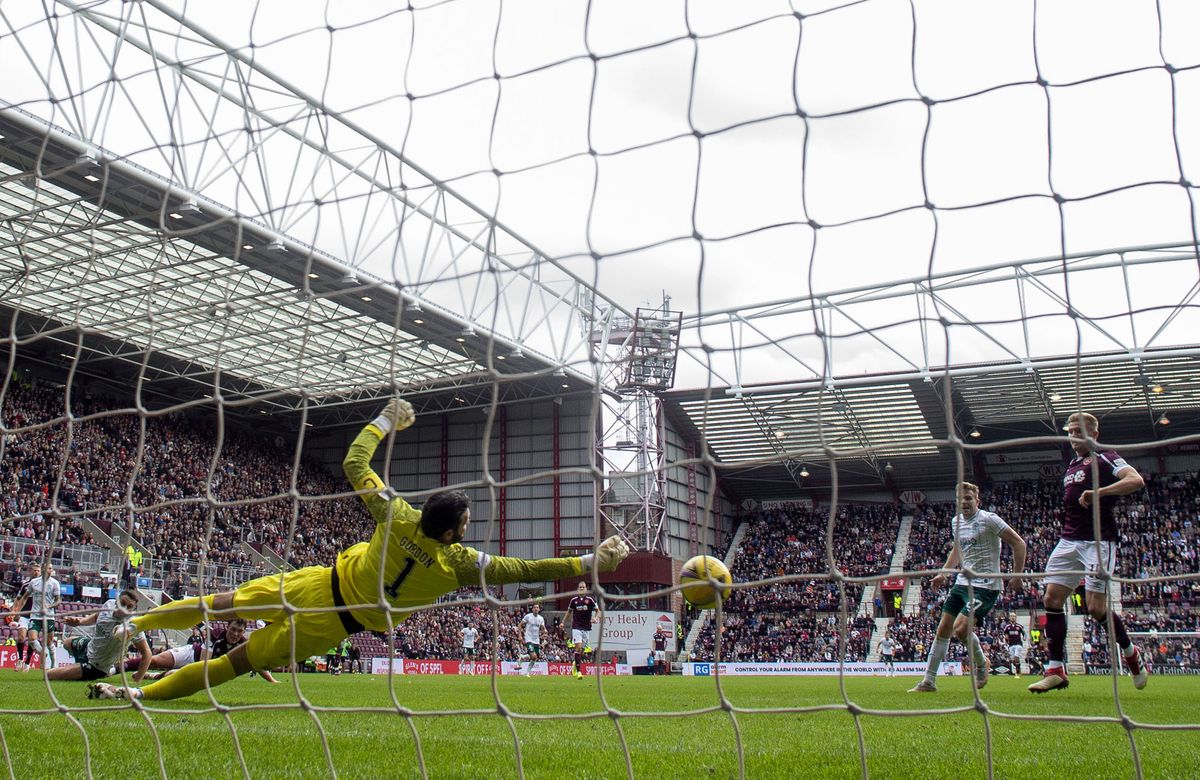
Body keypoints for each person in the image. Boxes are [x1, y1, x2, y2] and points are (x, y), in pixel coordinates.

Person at [87, 398, 630, 701]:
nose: (469, 526)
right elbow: (525, 568)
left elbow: (353, 465)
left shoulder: (398, 515)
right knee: (231, 664)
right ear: (452, 532)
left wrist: (386, 421)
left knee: (221, 604)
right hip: (334, 624)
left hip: (314, 581)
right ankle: (134, 697)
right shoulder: (458, 565)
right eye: (466, 521)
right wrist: (590, 561)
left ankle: (132, 627)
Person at [1028, 412, 1148, 694]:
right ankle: (1055, 669)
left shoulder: (1105, 456)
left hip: (1098, 541)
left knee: (1095, 608)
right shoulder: (1072, 464)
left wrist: (1100, 492)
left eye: (1077, 432)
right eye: (1069, 432)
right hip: (1068, 540)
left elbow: (1136, 480)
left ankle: (1131, 654)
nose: (1072, 437)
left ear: (1093, 434)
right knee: (1052, 599)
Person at [909, 482, 1026, 693]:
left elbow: (1019, 543)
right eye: (961, 499)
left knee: (961, 629)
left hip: (986, 586)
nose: (964, 502)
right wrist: (944, 573)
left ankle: (982, 664)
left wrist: (1017, 576)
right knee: (943, 628)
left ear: (977, 501)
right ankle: (929, 681)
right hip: (962, 583)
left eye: (969, 498)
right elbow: (957, 551)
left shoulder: (989, 520)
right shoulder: (956, 522)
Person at [124, 619, 279, 683]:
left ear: (244, 631)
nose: (235, 634)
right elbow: (203, 662)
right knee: (155, 660)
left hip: (203, 668)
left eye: (239, 631)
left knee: (173, 675)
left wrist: (271, 680)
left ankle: (153, 676)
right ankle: (116, 668)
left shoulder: (243, 644)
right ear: (227, 627)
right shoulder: (215, 635)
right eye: (233, 629)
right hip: (192, 654)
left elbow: (256, 664)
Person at [54, 588, 152, 682]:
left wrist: (138, 679)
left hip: (96, 666)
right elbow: (97, 616)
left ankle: (97, 669)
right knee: (67, 643)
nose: (124, 609)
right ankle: (80, 666)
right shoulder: (109, 604)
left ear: (134, 608)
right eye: (122, 604)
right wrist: (80, 622)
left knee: (49, 675)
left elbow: (147, 654)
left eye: (129, 606)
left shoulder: (133, 625)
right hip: (88, 647)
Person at [8, 562, 61, 672]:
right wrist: (17, 612)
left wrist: (49, 606)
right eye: (46, 568)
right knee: (29, 638)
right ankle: (36, 656)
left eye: (50, 568)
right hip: (33, 615)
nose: (48, 571)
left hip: (48, 616)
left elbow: (58, 600)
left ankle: (53, 665)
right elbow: (23, 597)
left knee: (49, 642)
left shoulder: (55, 583)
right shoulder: (32, 583)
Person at [564, 582, 600, 679]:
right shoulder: (573, 600)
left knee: (582, 651)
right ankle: (579, 672)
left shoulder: (590, 600)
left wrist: (595, 618)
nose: (582, 588)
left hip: (586, 627)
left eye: (583, 587)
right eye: (580, 587)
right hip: (576, 627)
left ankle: (575, 664)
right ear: (577, 589)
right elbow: (569, 612)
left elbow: (598, 611)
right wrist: (563, 622)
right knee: (578, 649)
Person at [519, 603, 545, 676]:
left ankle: (526, 671)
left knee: (535, 657)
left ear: (539, 609)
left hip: (536, 639)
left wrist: (544, 632)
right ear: (532, 609)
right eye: (534, 607)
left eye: (537, 607)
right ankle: (523, 658)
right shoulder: (528, 616)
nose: (536, 609)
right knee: (533, 656)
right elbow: (520, 625)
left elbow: (543, 628)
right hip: (528, 638)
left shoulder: (541, 618)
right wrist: (520, 635)